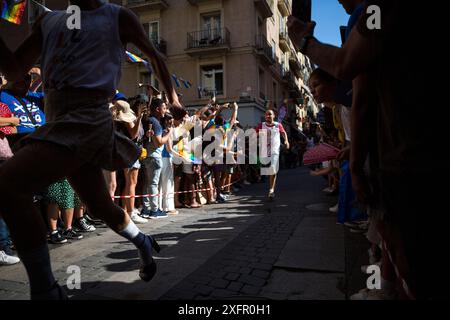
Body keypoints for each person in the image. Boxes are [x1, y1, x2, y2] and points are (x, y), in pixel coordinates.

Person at [0, 0, 181, 299]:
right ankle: (143, 243)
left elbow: (154, 54)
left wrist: (173, 99)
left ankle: (46, 290)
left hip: (88, 120)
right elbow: (15, 69)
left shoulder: (118, 16)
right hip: (58, 121)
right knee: (99, 206)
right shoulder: (48, 21)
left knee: (8, 186)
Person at [288, 1, 443, 299]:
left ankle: (381, 289)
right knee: (379, 240)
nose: (340, 3)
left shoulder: (376, 10)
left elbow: (355, 81)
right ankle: (381, 287)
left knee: (388, 239)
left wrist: (305, 42)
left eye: (315, 89)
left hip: (408, 159)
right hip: (405, 156)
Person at [140, 98, 173, 219]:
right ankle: (154, 210)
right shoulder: (155, 122)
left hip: (147, 156)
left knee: (148, 183)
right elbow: (159, 143)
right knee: (153, 183)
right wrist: (169, 133)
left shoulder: (149, 120)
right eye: (164, 108)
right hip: (154, 156)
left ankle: (146, 209)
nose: (165, 110)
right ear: (158, 109)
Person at [256, 109, 289, 200]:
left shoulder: (278, 125)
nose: (268, 116)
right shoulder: (261, 125)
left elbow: (283, 133)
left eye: (270, 114)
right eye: (266, 115)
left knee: (273, 169)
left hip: (275, 150)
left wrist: (286, 141)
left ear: (274, 116)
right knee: (265, 168)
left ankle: (271, 190)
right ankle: (263, 175)